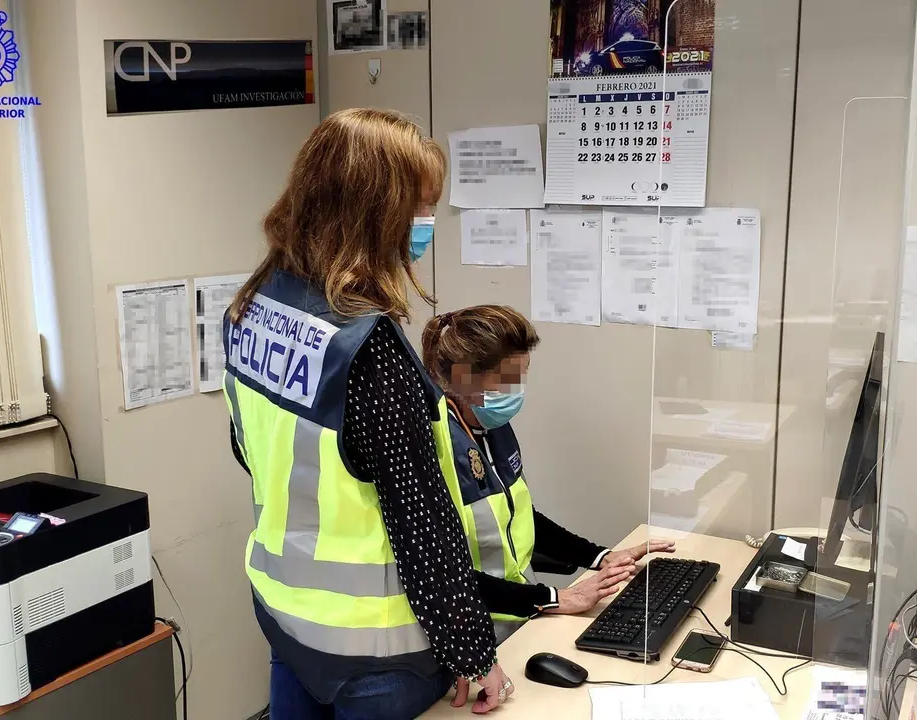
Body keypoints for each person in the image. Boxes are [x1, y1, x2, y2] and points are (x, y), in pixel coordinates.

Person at [222, 109, 513, 719]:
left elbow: (251, 451)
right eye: (420, 209)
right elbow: (421, 522)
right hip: (376, 651)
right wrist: (473, 652)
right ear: (373, 215)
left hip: (285, 615)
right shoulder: (366, 346)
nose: (427, 225)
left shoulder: (256, 305)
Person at [420, 305, 676, 654]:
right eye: (507, 379)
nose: (516, 390)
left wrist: (601, 557)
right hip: (462, 633)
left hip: (513, 620)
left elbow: (521, 517)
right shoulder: (431, 447)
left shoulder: (490, 428)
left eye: (521, 376)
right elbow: (439, 574)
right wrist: (555, 598)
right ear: (466, 378)